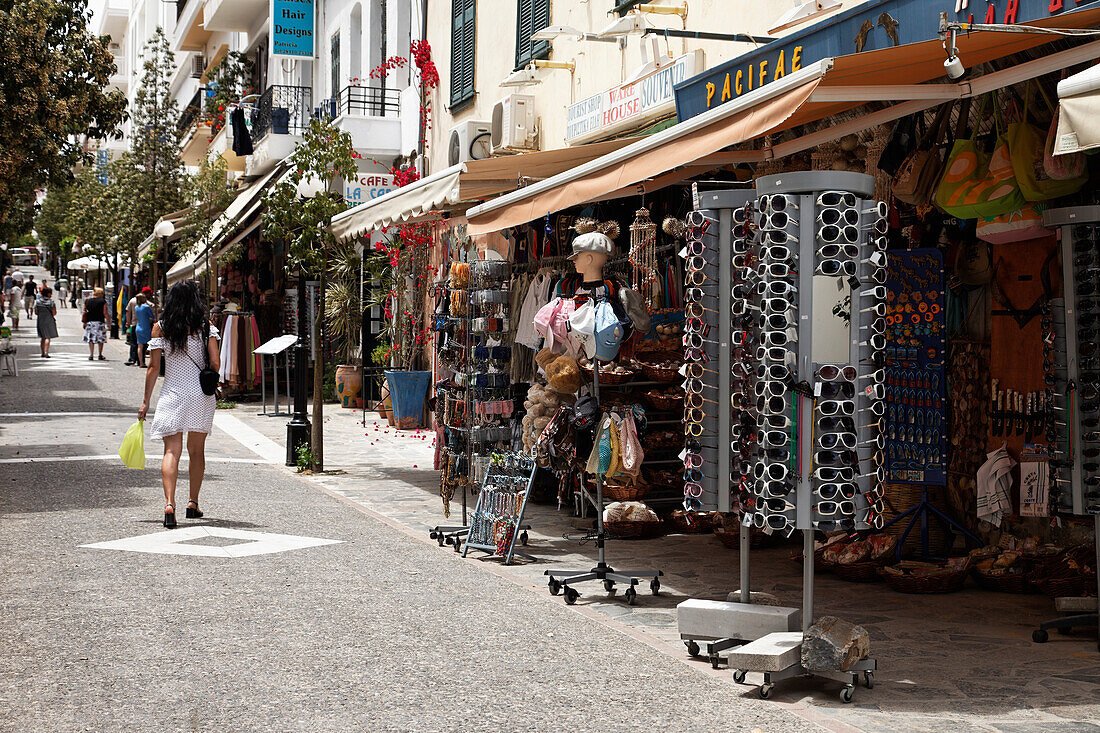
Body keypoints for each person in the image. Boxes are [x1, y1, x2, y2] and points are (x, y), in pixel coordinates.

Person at [138, 281, 221, 528]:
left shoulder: (161, 328)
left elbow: (153, 368)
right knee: (196, 451)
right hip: (200, 395)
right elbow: (215, 363)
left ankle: (169, 504)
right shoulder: (206, 327)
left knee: (171, 451)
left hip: (173, 394)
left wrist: (145, 401)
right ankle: (193, 503)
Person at [82, 286, 110, 360]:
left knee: (91, 339)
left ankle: (91, 354)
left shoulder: (87, 301)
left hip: (90, 322)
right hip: (99, 322)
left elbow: (84, 311)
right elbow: (105, 312)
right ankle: (100, 354)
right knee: (100, 339)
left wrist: (84, 322)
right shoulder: (103, 301)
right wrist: (109, 322)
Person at [133, 293, 155, 368]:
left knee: (140, 346)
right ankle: (151, 362)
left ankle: (141, 362)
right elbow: (152, 316)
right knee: (150, 345)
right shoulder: (146, 307)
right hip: (146, 327)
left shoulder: (136, 307)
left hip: (138, 327)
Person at [35, 286, 58, 358]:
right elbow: (54, 313)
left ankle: (42, 352)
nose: (51, 294)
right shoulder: (51, 302)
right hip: (49, 320)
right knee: (48, 337)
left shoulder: (38, 302)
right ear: (48, 294)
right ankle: (46, 352)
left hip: (40, 320)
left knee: (43, 337)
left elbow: (36, 312)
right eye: (50, 293)